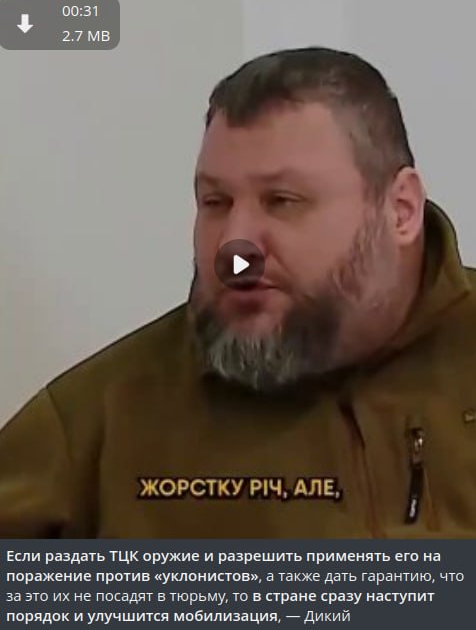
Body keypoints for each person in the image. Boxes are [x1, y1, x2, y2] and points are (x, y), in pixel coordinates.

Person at [1, 47, 475, 539]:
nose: (235, 245)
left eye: (282, 201)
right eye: (216, 202)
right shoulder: (99, 422)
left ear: (400, 210)